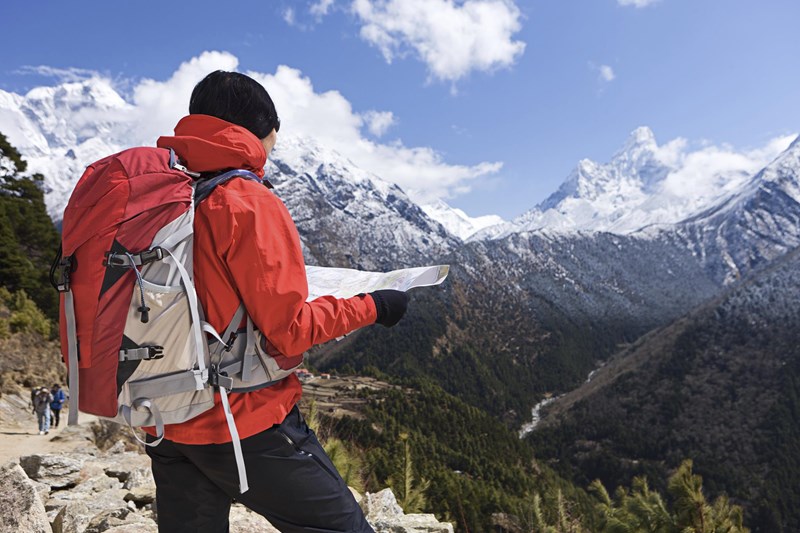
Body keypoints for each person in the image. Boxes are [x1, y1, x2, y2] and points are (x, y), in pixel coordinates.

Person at [142, 70, 409, 532]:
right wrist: (375, 306)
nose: (270, 153)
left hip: (164, 420)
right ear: (257, 133)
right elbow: (289, 330)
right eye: (272, 142)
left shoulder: (160, 195)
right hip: (242, 421)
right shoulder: (244, 200)